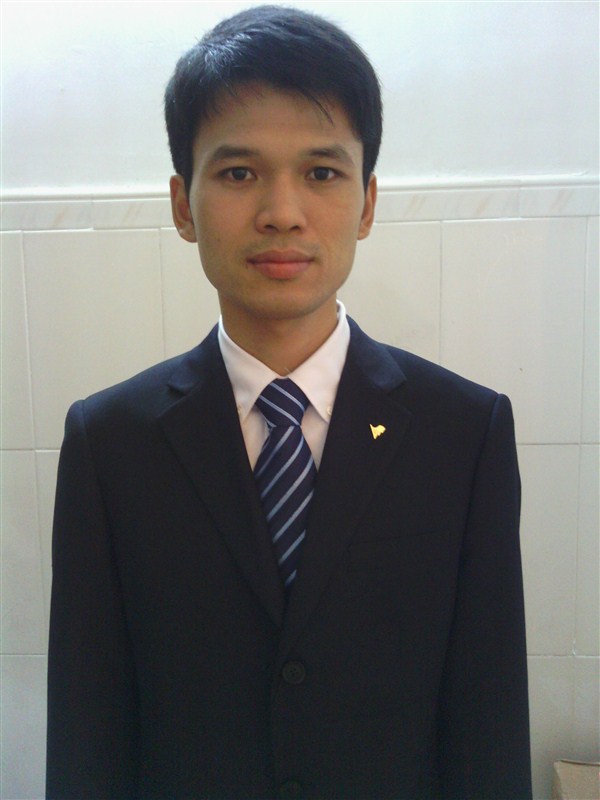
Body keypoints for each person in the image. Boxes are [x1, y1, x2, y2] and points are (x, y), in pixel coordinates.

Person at [46, 6, 532, 799]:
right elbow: (88, 726)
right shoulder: (111, 442)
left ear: (367, 203)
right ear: (182, 204)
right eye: (239, 173)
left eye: (322, 173)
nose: (281, 211)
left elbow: (488, 720)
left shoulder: (463, 433)